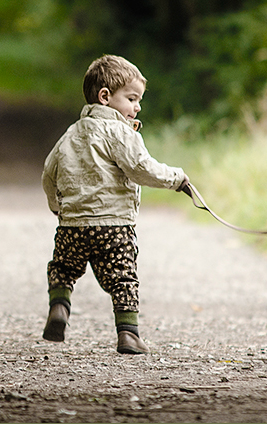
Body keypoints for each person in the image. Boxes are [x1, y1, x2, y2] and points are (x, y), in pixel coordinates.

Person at [41, 54, 190, 354]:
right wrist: (177, 178)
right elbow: (140, 167)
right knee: (123, 277)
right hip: (114, 227)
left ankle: (59, 306)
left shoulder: (70, 133)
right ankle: (129, 334)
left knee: (63, 269)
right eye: (132, 98)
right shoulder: (119, 131)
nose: (137, 107)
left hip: (71, 226)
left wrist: (56, 206)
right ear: (106, 97)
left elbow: (49, 172)